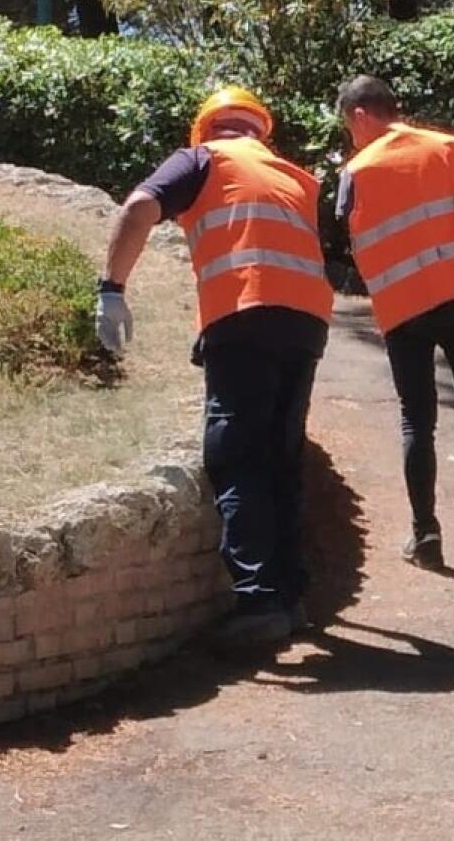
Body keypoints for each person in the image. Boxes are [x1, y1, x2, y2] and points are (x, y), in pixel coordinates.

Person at [96, 87, 334, 645]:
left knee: (237, 455)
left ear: (205, 129)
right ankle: (288, 595)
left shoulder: (204, 158)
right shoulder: (294, 175)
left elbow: (138, 208)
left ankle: (256, 602)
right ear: (259, 130)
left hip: (244, 316)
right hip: (308, 324)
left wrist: (111, 288)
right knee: (281, 455)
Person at [335, 75, 454, 570]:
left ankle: (425, 535)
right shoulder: (449, 148)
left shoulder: (357, 169)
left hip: (403, 308)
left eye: (348, 127)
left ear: (360, 115)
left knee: (416, 419)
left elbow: (345, 236)